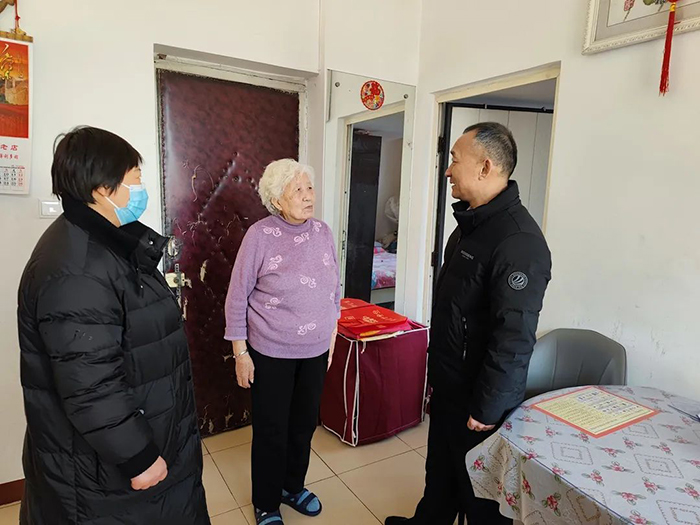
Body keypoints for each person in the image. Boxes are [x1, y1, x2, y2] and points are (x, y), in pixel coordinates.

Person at [17, 127, 209, 525]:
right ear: (104, 189)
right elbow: (90, 384)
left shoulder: (105, 244)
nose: (140, 188)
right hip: (106, 476)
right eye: (135, 178)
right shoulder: (76, 270)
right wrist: (138, 457)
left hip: (138, 442)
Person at [386, 122, 552, 525]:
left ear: (485, 166)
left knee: (479, 496)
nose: (448, 170)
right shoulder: (470, 228)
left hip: (479, 397)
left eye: (455, 160)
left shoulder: (519, 242)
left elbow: (514, 337)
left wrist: (489, 406)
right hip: (451, 384)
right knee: (441, 472)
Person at [224, 159, 340, 525]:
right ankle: (266, 502)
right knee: (272, 430)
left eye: (310, 188)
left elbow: (334, 287)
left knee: (303, 425)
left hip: (316, 350)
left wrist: (332, 334)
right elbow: (236, 297)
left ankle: (292, 487)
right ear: (277, 200)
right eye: (298, 190)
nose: (308, 196)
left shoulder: (323, 231)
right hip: (271, 351)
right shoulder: (259, 236)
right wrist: (240, 353)